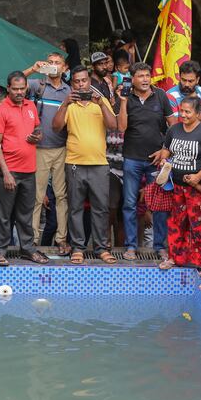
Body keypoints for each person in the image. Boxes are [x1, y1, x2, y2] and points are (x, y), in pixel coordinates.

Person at [53, 65, 118, 264]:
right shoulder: (69, 105)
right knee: (75, 207)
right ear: (72, 84)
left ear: (89, 82)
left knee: (101, 208)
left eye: (84, 81)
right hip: (74, 163)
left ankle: (101, 248)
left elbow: (113, 125)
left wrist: (101, 104)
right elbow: (56, 127)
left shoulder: (101, 101)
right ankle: (78, 248)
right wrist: (64, 103)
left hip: (99, 163)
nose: (81, 85)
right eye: (77, 82)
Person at [0, 71, 50, 267]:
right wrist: (5, 172)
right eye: (14, 89)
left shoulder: (31, 106)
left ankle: (27, 249)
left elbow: (37, 130)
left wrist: (37, 136)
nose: (18, 92)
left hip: (29, 170)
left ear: (26, 88)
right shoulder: (0, 111)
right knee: (4, 215)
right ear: (8, 88)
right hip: (9, 171)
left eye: (22, 89)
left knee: (26, 214)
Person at [117, 62, 176, 261]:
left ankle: (160, 246)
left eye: (147, 76)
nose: (144, 79)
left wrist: (164, 150)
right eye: (140, 76)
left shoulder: (160, 95)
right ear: (132, 79)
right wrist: (123, 102)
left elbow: (173, 127)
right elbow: (122, 128)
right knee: (129, 203)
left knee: (158, 204)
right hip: (132, 159)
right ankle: (131, 246)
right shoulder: (126, 97)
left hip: (156, 160)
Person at [155, 96, 201, 271]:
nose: (183, 115)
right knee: (177, 223)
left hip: (197, 189)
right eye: (181, 111)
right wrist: (164, 160)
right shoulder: (173, 130)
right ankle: (175, 258)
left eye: (187, 112)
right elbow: (166, 149)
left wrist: (199, 176)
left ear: (198, 113)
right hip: (176, 186)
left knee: (199, 225)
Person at [23, 52, 72, 253]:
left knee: (61, 196)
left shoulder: (69, 91)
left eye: (57, 63)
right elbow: (13, 84)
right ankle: (33, 239)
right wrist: (33, 68)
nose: (53, 66)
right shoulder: (37, 85)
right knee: (37, 196)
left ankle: (61, 239)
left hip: (62, 149)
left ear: (64, 68)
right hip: (40, 149)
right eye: (50, 63)